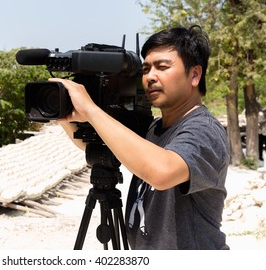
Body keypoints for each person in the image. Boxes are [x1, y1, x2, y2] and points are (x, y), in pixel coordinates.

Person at [51, 25, 229, 250]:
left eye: (162, 67)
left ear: (194, 74)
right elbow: (97, 146)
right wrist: (65, 113)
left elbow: (161, 172)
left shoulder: (205, 130)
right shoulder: (155, 128)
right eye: (145, 69)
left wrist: (91, 110)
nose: (150, 77)